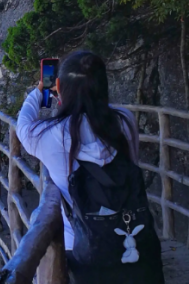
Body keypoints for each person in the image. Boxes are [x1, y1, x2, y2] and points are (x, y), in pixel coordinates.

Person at [17, 51, 164, 284]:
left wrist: (41, 90)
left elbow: (23, 125)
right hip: (134, 239)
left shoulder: (49, 135)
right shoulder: (125, 121)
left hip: (82, 247)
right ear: (103, 87)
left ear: (59, 86)